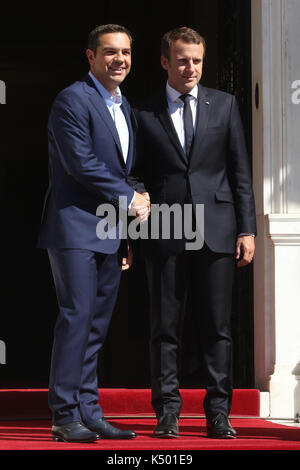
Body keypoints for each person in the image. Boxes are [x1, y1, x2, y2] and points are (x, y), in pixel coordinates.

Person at [130, 27, 256, 439]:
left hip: (217, 230)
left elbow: (239, 172)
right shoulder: (142, 111)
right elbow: (130, 175)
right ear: (165, 61)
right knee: (164, 327)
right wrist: (128, 230)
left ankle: (218, 412)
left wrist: (247, 228)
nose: (190, 68)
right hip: (163, 227)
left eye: (197, 60)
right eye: (182, 60)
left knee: (217, 328)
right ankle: (168, 412)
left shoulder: (224, 104)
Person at [37, 24, 149, 443]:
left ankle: (89, 411)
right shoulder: (73, 99)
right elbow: (79, 163)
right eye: (109, 52)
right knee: (76, 318)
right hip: (73, 228)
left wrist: (127, 226)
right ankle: (65, 415)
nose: (119, 59)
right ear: (90, 56)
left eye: (125, 52)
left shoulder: (124, 106)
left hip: (108, 230)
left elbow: (122, 170)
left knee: (97, 326)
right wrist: (130, 196)